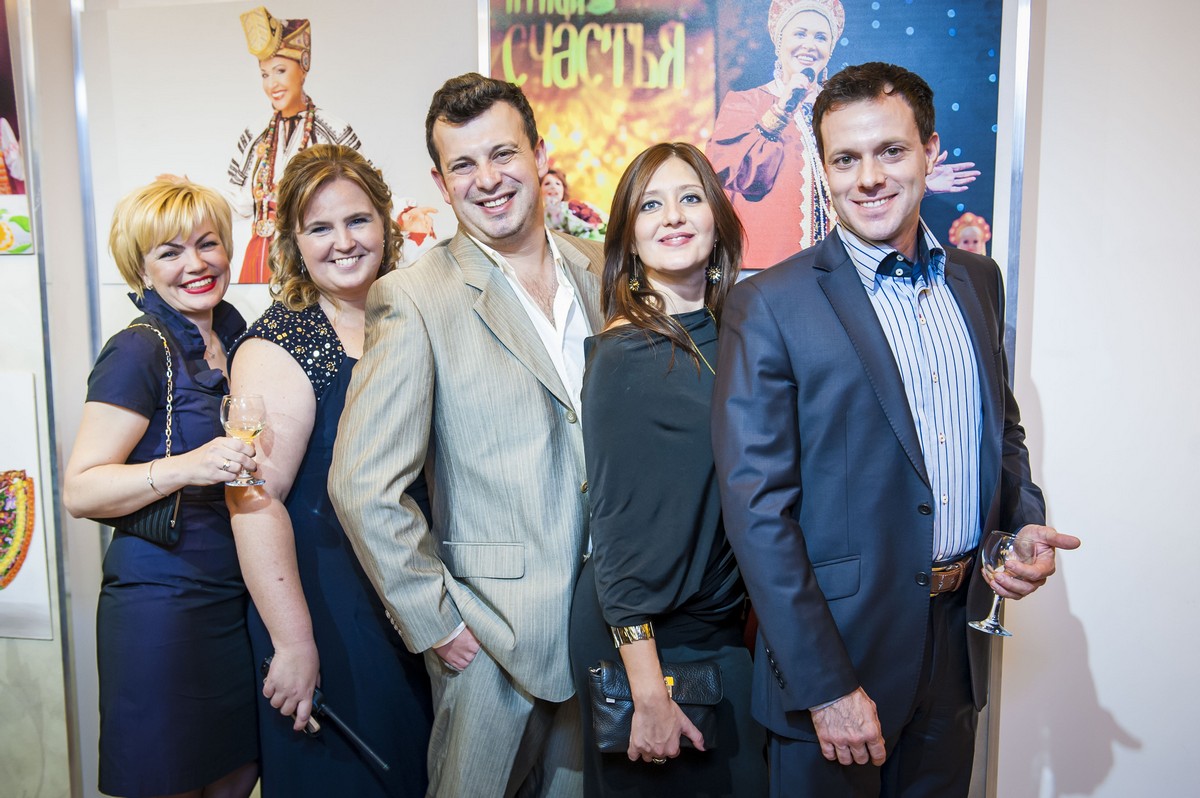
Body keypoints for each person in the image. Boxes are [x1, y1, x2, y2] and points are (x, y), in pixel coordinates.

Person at [711, 62, 1081, 796]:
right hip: (837, 661)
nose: (869, 178)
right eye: (845, 159)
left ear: (930, 152)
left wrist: (1019, 528)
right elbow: (756, 513)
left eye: (891, 151)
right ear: (823, 169)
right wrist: (824, 685)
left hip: (956, 648)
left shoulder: (978, 281)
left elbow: (1000, 431)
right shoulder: (770, 304)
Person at [328, 73, 605, 797]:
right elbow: (361, 483)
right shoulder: (414, 298)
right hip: (490, 644)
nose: (487, 180)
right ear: (439, 182)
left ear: (539, 154)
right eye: (463, 165)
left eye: (503, 153)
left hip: (604, 634)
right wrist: (438, 622)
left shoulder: (601, 270)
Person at [226, 144, 433, 797]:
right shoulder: (280, 344)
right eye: (320, 227)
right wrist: (293, 642)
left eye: (357, 220)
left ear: (386, 224)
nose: (343, 242)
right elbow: (251, 499)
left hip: (406, 596)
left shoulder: (409, 314)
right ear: (293, 241)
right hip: (326, 609)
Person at [568, 142, 766, 797]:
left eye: (689, 198)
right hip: (649, 642)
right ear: (628, 237)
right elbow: (616, 537)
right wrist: (649, 694)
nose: (673, 216)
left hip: (717, 627)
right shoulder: (627, 355)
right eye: (651, 205)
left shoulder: (733, 332)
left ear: (716, 219)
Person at [63, 178, 258, 798]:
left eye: (207, 243)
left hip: (236, 601)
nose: (196, 264)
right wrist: (188, 466)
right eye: (170, 252)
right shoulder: (138, 350)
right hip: (163, 606)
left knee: (235, 777)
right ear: (142, 270)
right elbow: (80, 490)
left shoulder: (238, 337)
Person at [706, 0, 980, 270]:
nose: (809, 45)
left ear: (830, 48)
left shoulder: (839, 113)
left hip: (840, 272)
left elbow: (856, 183)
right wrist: (781, 109)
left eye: (820, 37)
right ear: (779, 42)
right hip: (767, 270)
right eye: (800, 34)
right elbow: (734, 174)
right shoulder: (746, 102)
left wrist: (916, 182)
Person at [227, 6, 432, 283]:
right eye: (265, 74)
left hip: (314, 256)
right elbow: (236, 200)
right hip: (260, 256)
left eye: (280, 71)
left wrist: (405, 212)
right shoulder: (254, 133)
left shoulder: (333, 128)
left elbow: (366, 189)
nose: (272, 84)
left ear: (303, 67)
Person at [542, 167, 607, 241]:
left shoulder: (576, 207)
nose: (553, 187)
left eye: (558, 183)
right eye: (547, 184)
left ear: (563, 189)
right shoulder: (539, 217)